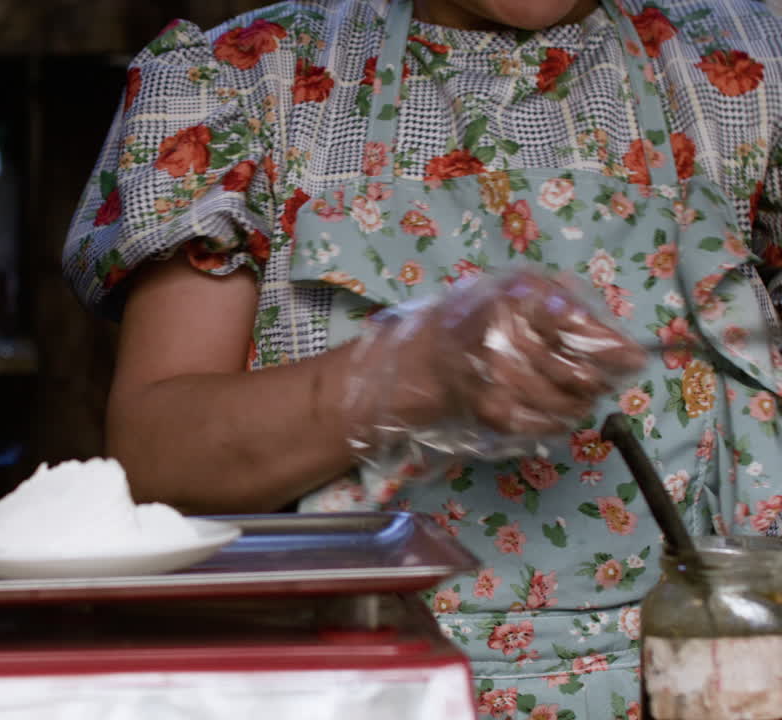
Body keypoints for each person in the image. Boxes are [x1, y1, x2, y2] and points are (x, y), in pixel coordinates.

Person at [64, 0, 782, 714]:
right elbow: (157, 456)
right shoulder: (243, 80)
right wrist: (397, 374)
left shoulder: (745, 70)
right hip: (364, 690)